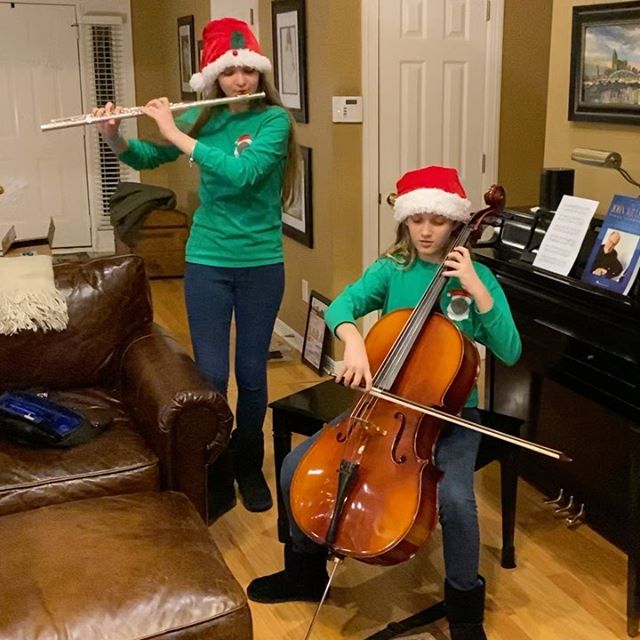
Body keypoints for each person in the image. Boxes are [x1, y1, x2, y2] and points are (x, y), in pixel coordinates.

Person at [247, 166, 522, 640]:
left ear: (457, 223)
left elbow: (510, 349)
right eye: (418, 220)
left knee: (457, 501)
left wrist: (477, 289)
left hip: (451, 414)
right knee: (295, 465)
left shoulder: (476, 277)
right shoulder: (391, 268)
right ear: (405, 221)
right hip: (384, 406)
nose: (426, 231)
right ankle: (304, 574)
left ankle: (464, 612)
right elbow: (342, 306)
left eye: (438, 221)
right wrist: (352, 342)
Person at [93, 17, 299, 514]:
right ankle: (218, 465)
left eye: (248, 71)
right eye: (231, 73)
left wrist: (173, 131)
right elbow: (147, 154)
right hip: (207, 260)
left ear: (259, 74)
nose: (240, 81)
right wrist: (114, 136)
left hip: (260, 262)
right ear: (215, 78)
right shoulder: (203, 119)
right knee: (210, 372)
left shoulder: (274, 122)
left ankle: (249, 463)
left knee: (251, 372)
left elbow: (244, 172)